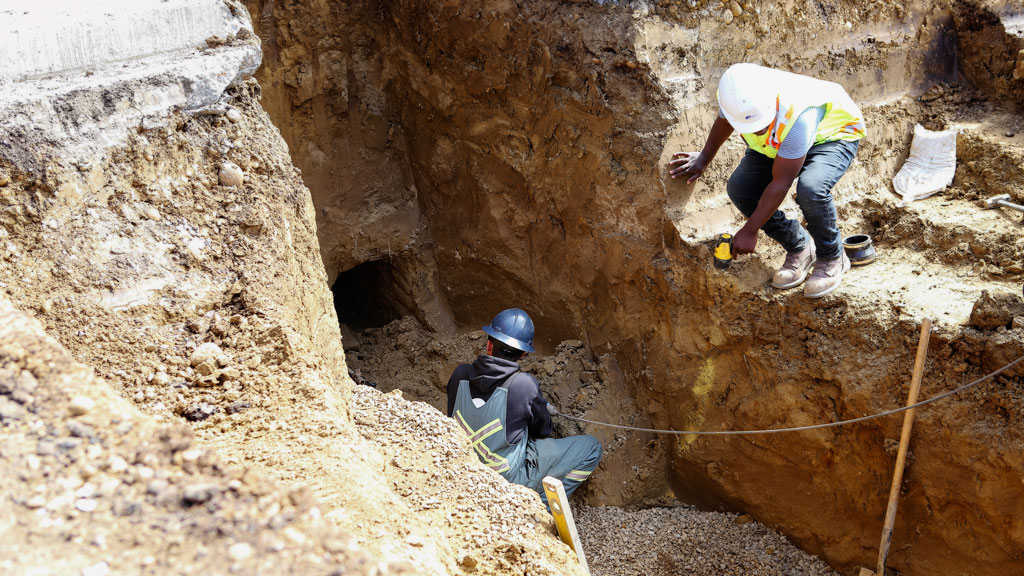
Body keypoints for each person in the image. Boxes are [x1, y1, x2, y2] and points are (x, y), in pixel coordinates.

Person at [670, 63, 866, 298]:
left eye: (762, 125)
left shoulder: (797, 115)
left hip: (832, 136)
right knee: (740, 188)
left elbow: (781, 182)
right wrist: (703, 158)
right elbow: (725, 121)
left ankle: (831, 257)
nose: (758, 131)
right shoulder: (736, 96)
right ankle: (800, 246)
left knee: (811, 189)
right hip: (778, 143)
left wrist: (750, 230)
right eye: (752, 127)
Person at [446, 308, 602, 503]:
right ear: (522, 355)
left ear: (489, 345)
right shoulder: (524, 385)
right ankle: (541, 507)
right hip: (504, 480)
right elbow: (542, 430)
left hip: (463, 469)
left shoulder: (459, 374)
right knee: (592, 447)